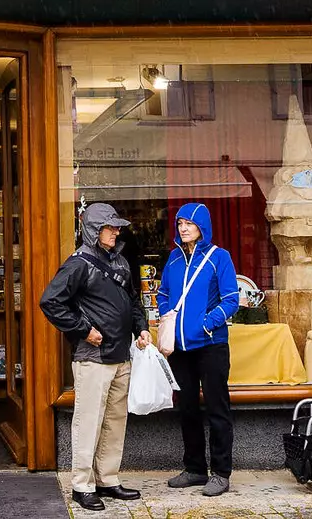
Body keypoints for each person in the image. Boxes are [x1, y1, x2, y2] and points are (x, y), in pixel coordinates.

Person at [37, 202, 150, 512]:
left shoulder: (121, 263)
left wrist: (141, 328)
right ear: (93, 229)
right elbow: (50, 302)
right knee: (88, 422)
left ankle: (108, 479)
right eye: (110, 227)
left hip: (121, 355)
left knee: (115, 421)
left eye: (117, 227)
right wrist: (83, 330)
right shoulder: (77, 264)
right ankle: (82, 486)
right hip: (92, 357)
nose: (116, 231)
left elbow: (133, 301)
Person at [156, 202, 237, 497]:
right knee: (187, 408)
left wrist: (205, 324)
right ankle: (194, 469)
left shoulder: (220, 258)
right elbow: (163, 293)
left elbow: (231, 300)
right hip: (180, 348)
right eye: (180, 224)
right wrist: (166, 313)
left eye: (189, 223)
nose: (184, 228)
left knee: (217, 409)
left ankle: (221, 473)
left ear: (202, 226)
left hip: (211, 345)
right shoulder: (174, 259)